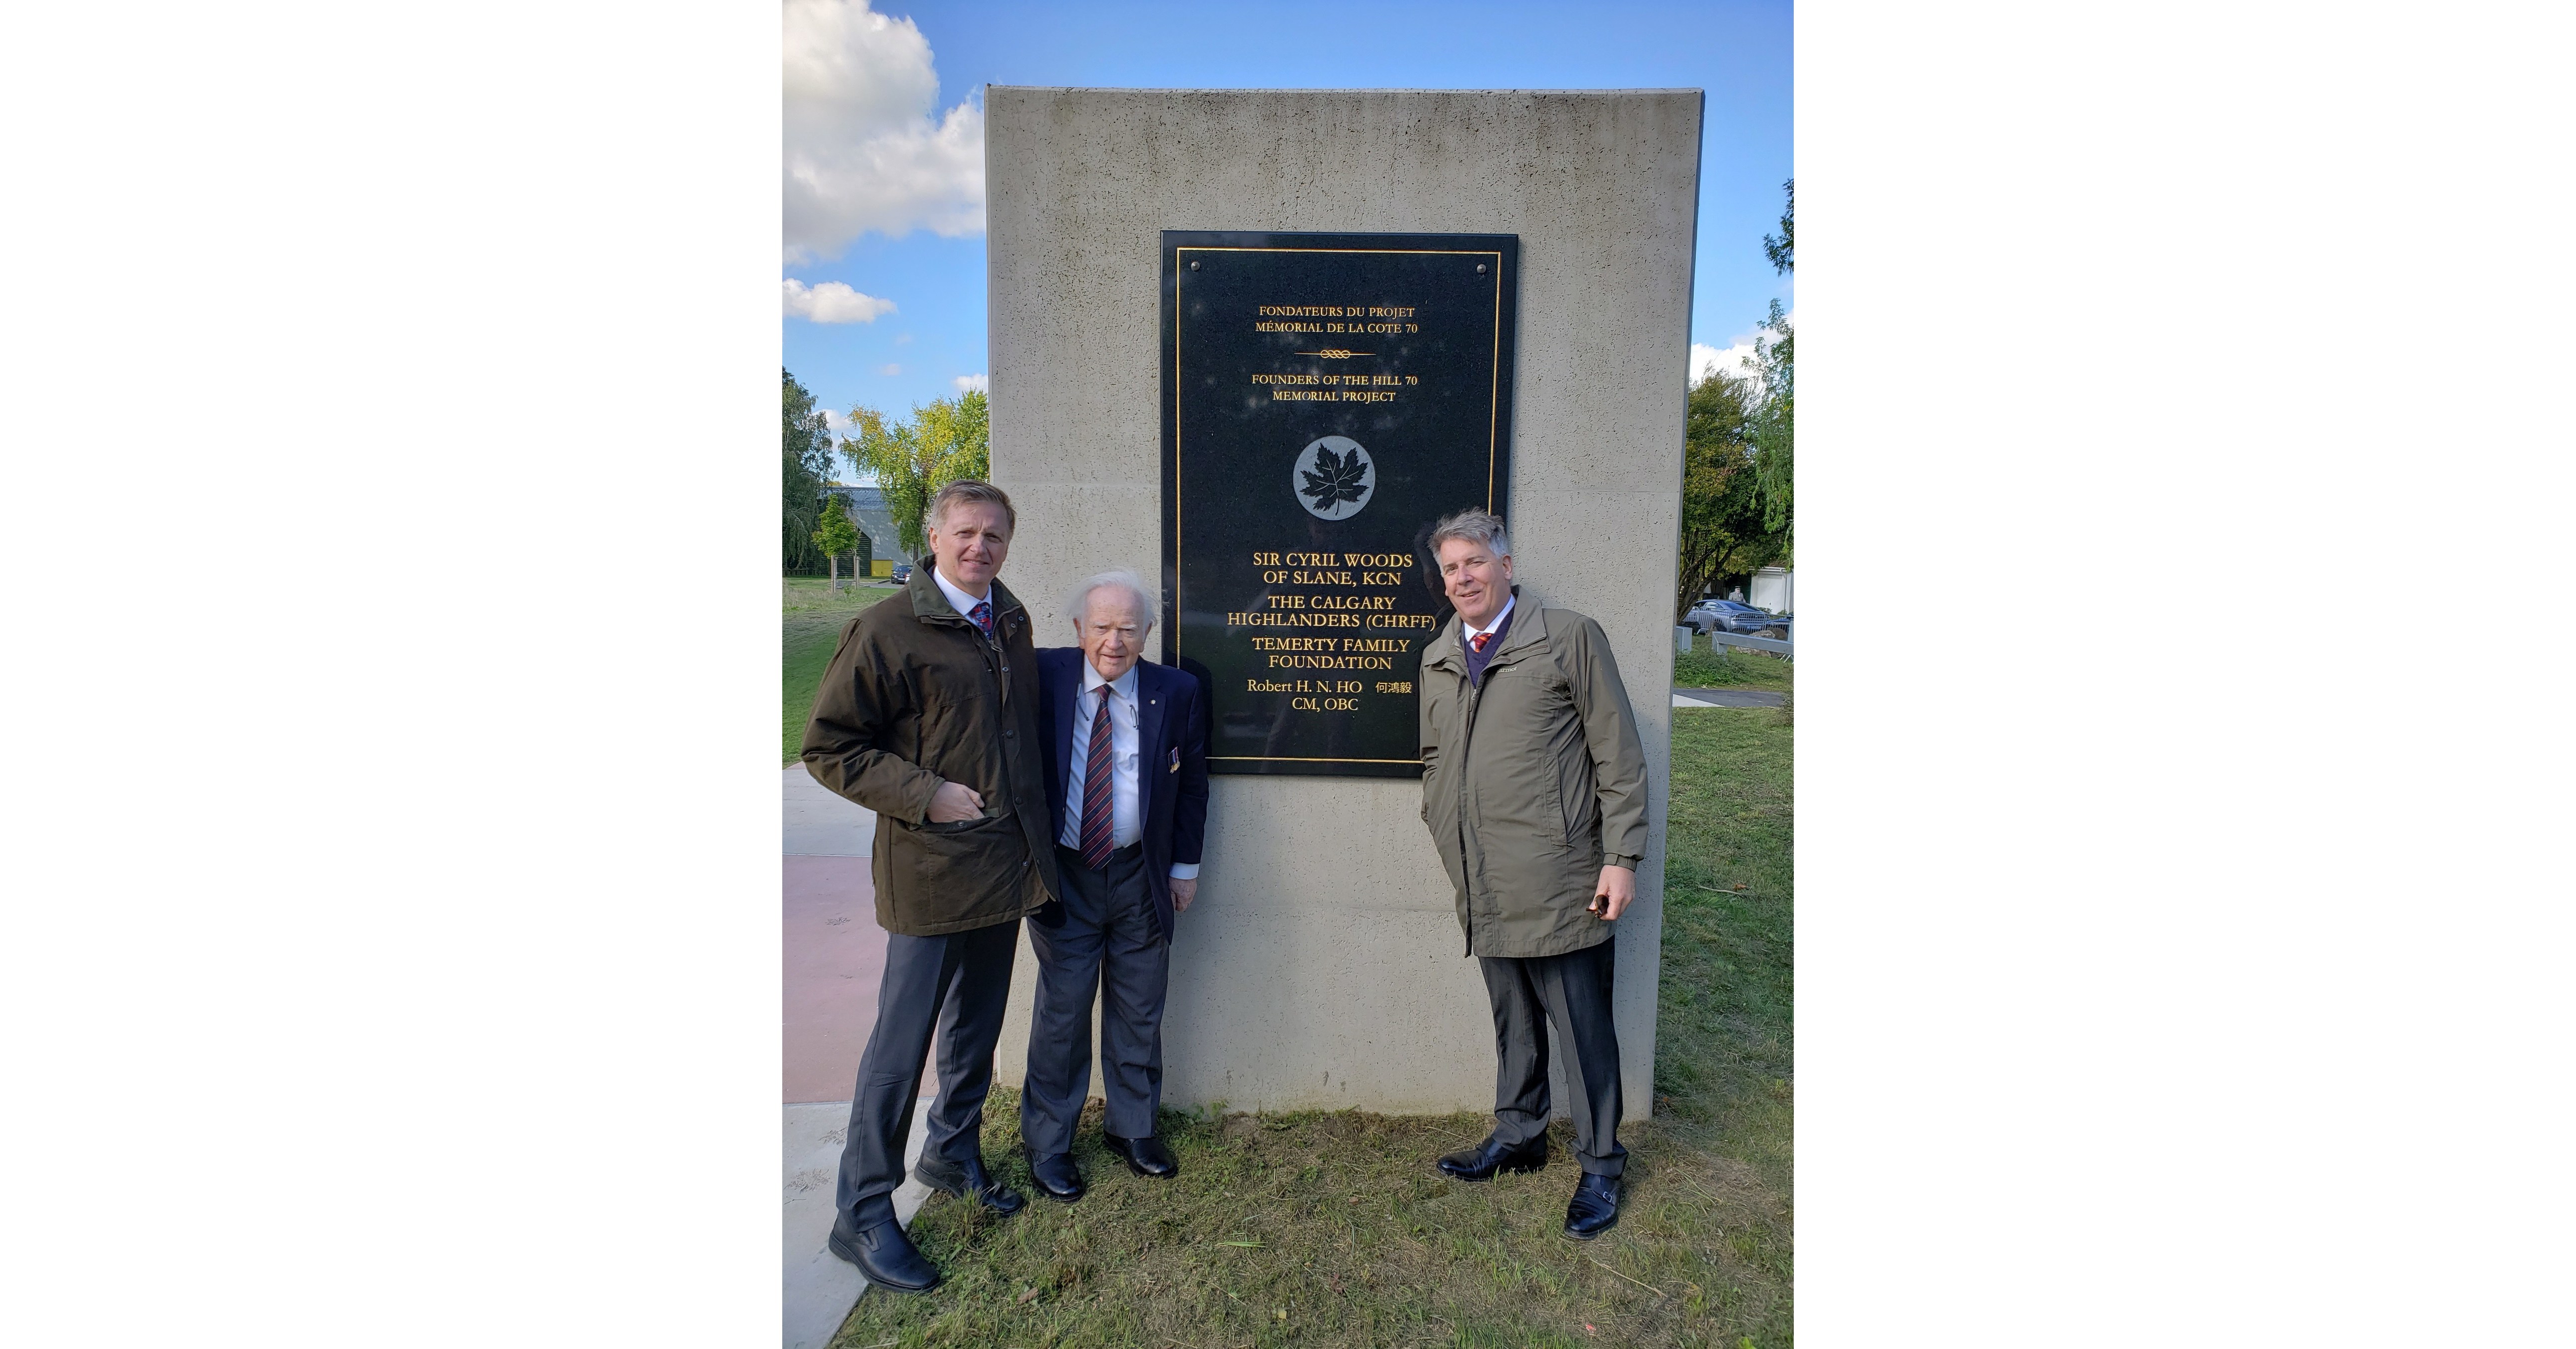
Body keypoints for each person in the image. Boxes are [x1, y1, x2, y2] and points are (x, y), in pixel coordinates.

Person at [800, 480, 1061, 1294]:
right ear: (934, 536)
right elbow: (831, 747)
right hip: (928, 876)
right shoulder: (886, 630)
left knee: (974, 1032)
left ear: (1007, 545)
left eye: (993, 535)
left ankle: (951, 1152)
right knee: (898, 1048)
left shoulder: (1008, 622)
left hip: (1004, 870)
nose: (979, 546)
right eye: (965, 532)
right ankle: (862, 1211)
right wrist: (926, 793)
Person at [1415, 508, 1649, 1241]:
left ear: (1506, 566)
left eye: (1475, 562)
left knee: (1583, 1033)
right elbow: (1433, 758)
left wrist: (1621, 857)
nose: (1463, 578)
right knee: (1512, 1021)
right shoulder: (1438, 656)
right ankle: (1519, 1135)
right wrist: (1441, 820)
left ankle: (1602, 1165)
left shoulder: (1569, 638)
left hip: (1560, 880)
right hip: (1481, 878)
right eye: (1451, 568)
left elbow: (1618, 755)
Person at [1019, 571, 1210, 1200]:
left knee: (1139, 1005)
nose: (1114, 642)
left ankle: (1133, 1128)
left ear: (1148, 633)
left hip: (1140, 873)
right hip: (1067, 875)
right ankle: (1049, 1142)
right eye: (1101, 627)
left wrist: (1184, 868)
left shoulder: (1176, 691)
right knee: (1062, 1011)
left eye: (1129, 628)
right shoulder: (1043, 676)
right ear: (1078, 630)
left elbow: (1192, 788)